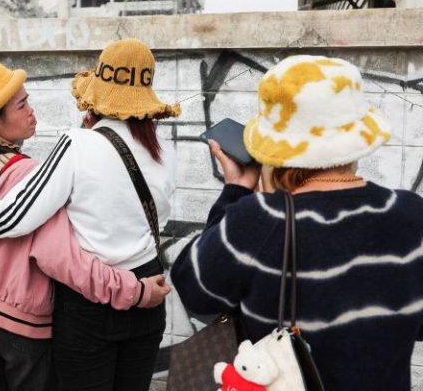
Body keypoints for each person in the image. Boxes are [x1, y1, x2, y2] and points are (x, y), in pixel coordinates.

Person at [0, 39, 180, 391]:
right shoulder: (164, 151)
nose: (31, 109)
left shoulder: (76, 144)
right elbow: (155, 221)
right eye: (23, 103)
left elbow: (12, 218)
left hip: (83, 306)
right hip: (146, 286)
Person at [169, 55, 423, 390]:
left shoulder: (258, 221)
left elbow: (194, 291)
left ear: (276, 147)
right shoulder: (411, 214)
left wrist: (235, 190)